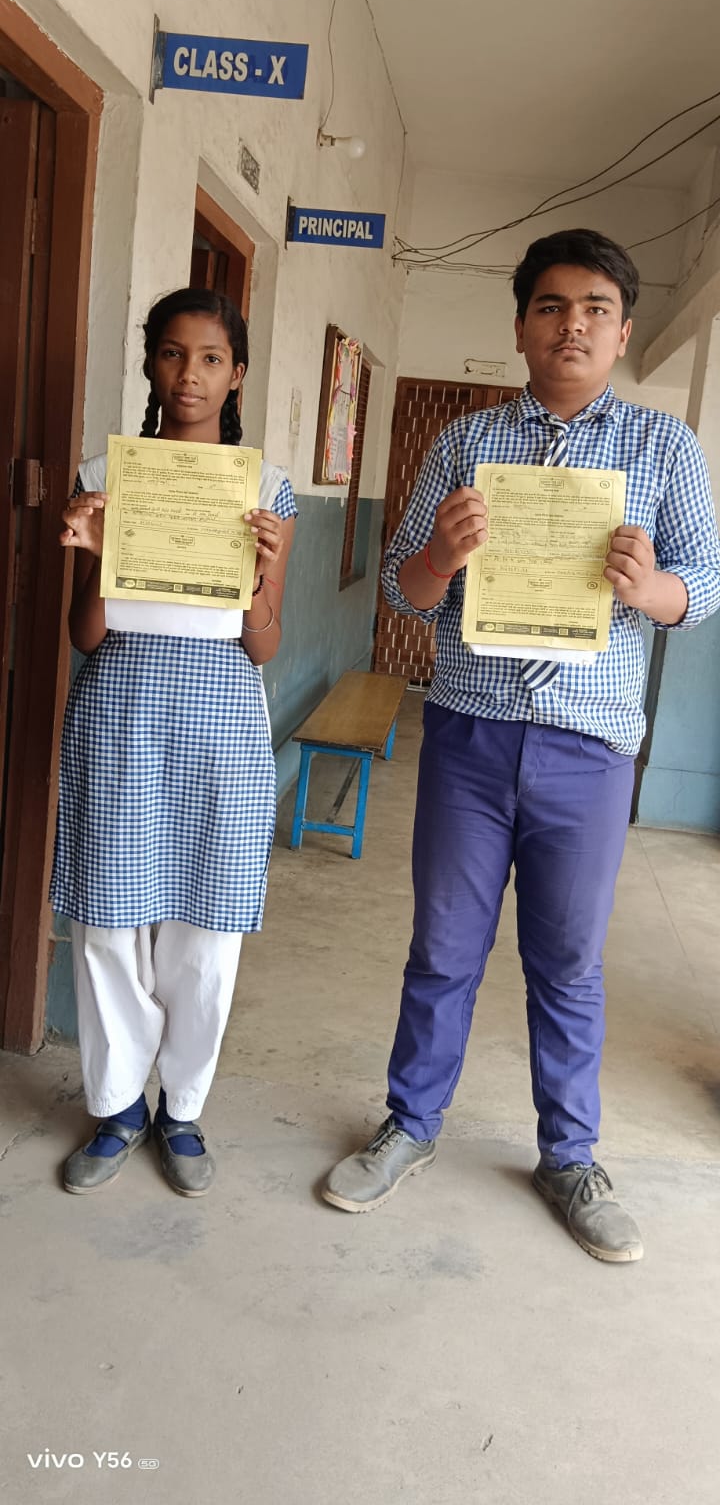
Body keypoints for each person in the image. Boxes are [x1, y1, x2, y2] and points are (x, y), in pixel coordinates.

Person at [322, 228, 720, 1262]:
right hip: (470, 734)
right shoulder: (465, 445)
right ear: (520, 327)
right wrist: (442, 555)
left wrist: (651, 587)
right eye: (551, 305)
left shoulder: (665, 449)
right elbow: (406, 591)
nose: (572, 324)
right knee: (444, 948)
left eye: (595, 308)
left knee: (570, 962)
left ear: (623, 332)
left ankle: (570, 1156)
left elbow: (706, 587)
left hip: (590, 748)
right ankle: (410, 1123)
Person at [53, 287, 296, 1197]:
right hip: (120, 717)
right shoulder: (102, 476)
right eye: (171, 353)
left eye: (210, 358)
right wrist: (96, 550)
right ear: (150, 363)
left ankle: (182, 1110)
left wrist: (262, 575)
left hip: (222, 725)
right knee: (109, 923)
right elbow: (85, 636)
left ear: (237, 375)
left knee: (207, 928)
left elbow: (263, 644)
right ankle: (118, 1109)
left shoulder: (265, 489)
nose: (188, 374)